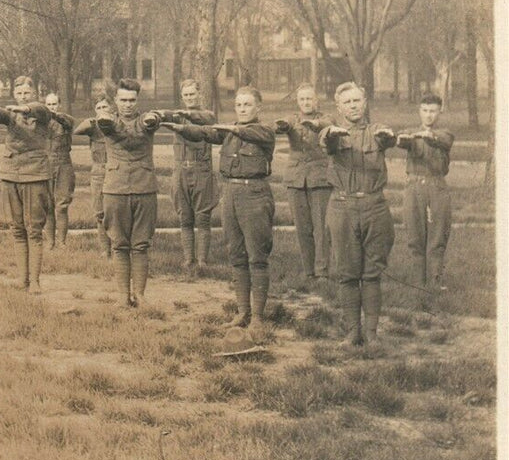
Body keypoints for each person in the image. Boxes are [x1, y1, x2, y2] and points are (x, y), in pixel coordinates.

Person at [164, 86, 276, 329]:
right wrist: (180, 128)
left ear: (259, 107)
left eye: (247, 104)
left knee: (257, 257)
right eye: (239, 105)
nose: (242, 109)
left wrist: (231, 129)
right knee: (236, 255)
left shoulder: (264, 131)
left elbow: (250, 134)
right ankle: (242, 312)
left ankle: (258, 318)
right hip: (231, 194)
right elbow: (205, 132)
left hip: (255, 194)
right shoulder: (229, 133)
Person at [320, 82, 398, 348]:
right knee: (348, 273)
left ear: (365, 103)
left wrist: (388, 136)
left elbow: (388, 138)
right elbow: (326, 139)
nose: (353, 106)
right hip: (342, 207)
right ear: (339, 107)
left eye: (357, 101)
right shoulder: (334, 134)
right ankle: (353, 333)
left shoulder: (377, 131)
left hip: (374, 206)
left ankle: (372, 334)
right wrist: (330, 133)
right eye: (347, 102)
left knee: (372, 273)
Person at [0, 78, 55, 292]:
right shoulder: (12, 114)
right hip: (11, 174)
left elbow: (41, 110)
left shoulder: (40, 113)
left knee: (34, 229)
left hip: (35, 174)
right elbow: (3, 115)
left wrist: (26, 108)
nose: (23, 97)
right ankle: (22, 280)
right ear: (14, 94)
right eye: (20, 93)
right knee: (17, 229)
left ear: (34, 93)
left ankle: (35, 281)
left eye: (27, 93)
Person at [97, 78, 164, 308]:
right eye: (123, 100)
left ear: (138, 100)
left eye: (132, 100)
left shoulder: (146, 120)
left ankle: (140, 295)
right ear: (115, 100)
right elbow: (105, 124)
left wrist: (152, 118)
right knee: (119, 244)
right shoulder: (108, 120)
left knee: (141, 244)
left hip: (144, 187)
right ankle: (123, 296)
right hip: (115, 189)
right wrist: (105, 118)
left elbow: (152, 121)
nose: (127, 104)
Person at [394, 93, 454, 292]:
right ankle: (417, 284)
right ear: (419, 111)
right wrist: (402, 139)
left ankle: (435, 283)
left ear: (440, 112)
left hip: (437, 186)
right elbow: (403, 141)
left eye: (433, 111)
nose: (429, 115)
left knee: (437, 236)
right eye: (425, 110)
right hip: (414, 187)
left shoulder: (445, 134)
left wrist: (431, 137)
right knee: (414, 236)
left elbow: (445, 141)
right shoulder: (412, 133)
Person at [158, 79, 219, 273]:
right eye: (186, 95)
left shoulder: (207, 115)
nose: (189, 98)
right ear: (182, 97)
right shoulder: (178, 116)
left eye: (192, 94)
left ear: (199, 94)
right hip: (181, 171)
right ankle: (188, 259)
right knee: (185, 218)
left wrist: (188, 115)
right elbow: (166, 115)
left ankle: (202, 261)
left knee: (203, 218)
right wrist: (159, 114)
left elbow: (207, 119)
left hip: (202, 171)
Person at [274, 84, 333, 280]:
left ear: (317, 100)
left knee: (321, 228)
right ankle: (309, 272)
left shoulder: (326, 118)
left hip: (320, 180)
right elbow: (282, 126)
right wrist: (283, 125)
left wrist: (315, 124)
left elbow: (327, 124)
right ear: (297, 102)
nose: (306, 102)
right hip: (296, 180)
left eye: (309, 98)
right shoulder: (293, 119)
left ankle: (322, 272)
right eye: (302, 99)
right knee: (302, 228)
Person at [73, 96, 115, 257]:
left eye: (105, 107)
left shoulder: (117, 125)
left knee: (116, 211)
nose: (102, 110)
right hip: (98, 171)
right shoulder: (92, 126)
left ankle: (118, 249)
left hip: (115, 170)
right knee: (99, 212)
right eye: (99, 108)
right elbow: (77, 130)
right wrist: (95, 120)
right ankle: (105, 250)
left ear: (111, 108)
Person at [43, 92, 77, 249]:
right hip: (46, 164)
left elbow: (68, 123)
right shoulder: (41, 122)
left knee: (62, 205)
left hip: (64, 163)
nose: (52, 107)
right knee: (48, 205)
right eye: (49, 104)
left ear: (59, 105)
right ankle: (50, 242)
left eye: (54, 104)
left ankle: (62, 242)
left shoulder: (66, 120)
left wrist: (55, 116)